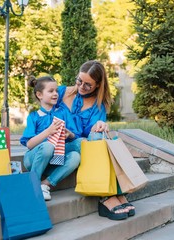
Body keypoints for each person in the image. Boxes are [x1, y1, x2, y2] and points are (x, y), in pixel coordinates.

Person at [56, 60, 135, 220]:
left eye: (88, 85)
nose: (81, 87)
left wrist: (100, 124)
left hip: (81, 145)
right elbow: (42, 106)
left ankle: (113, 193)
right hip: (59, 144)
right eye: (80, 81)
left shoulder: (98, 106)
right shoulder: (62, 92)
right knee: (87, 143)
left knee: (101, 137)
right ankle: (108, 195)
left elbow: (94, 136)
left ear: (98, 85)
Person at [20, 76, 81, 201]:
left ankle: (45, 184)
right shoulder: (34, 116)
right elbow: (30, 144)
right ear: (39, 95)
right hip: (34, 160)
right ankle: (34, 184)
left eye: (56, 91)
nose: (55, 94)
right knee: (48, 146)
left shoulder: (63, 112)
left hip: (55, 161)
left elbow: (74, 136)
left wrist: (70, 134)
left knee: (76, 155)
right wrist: (48, 132)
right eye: (51, 91)